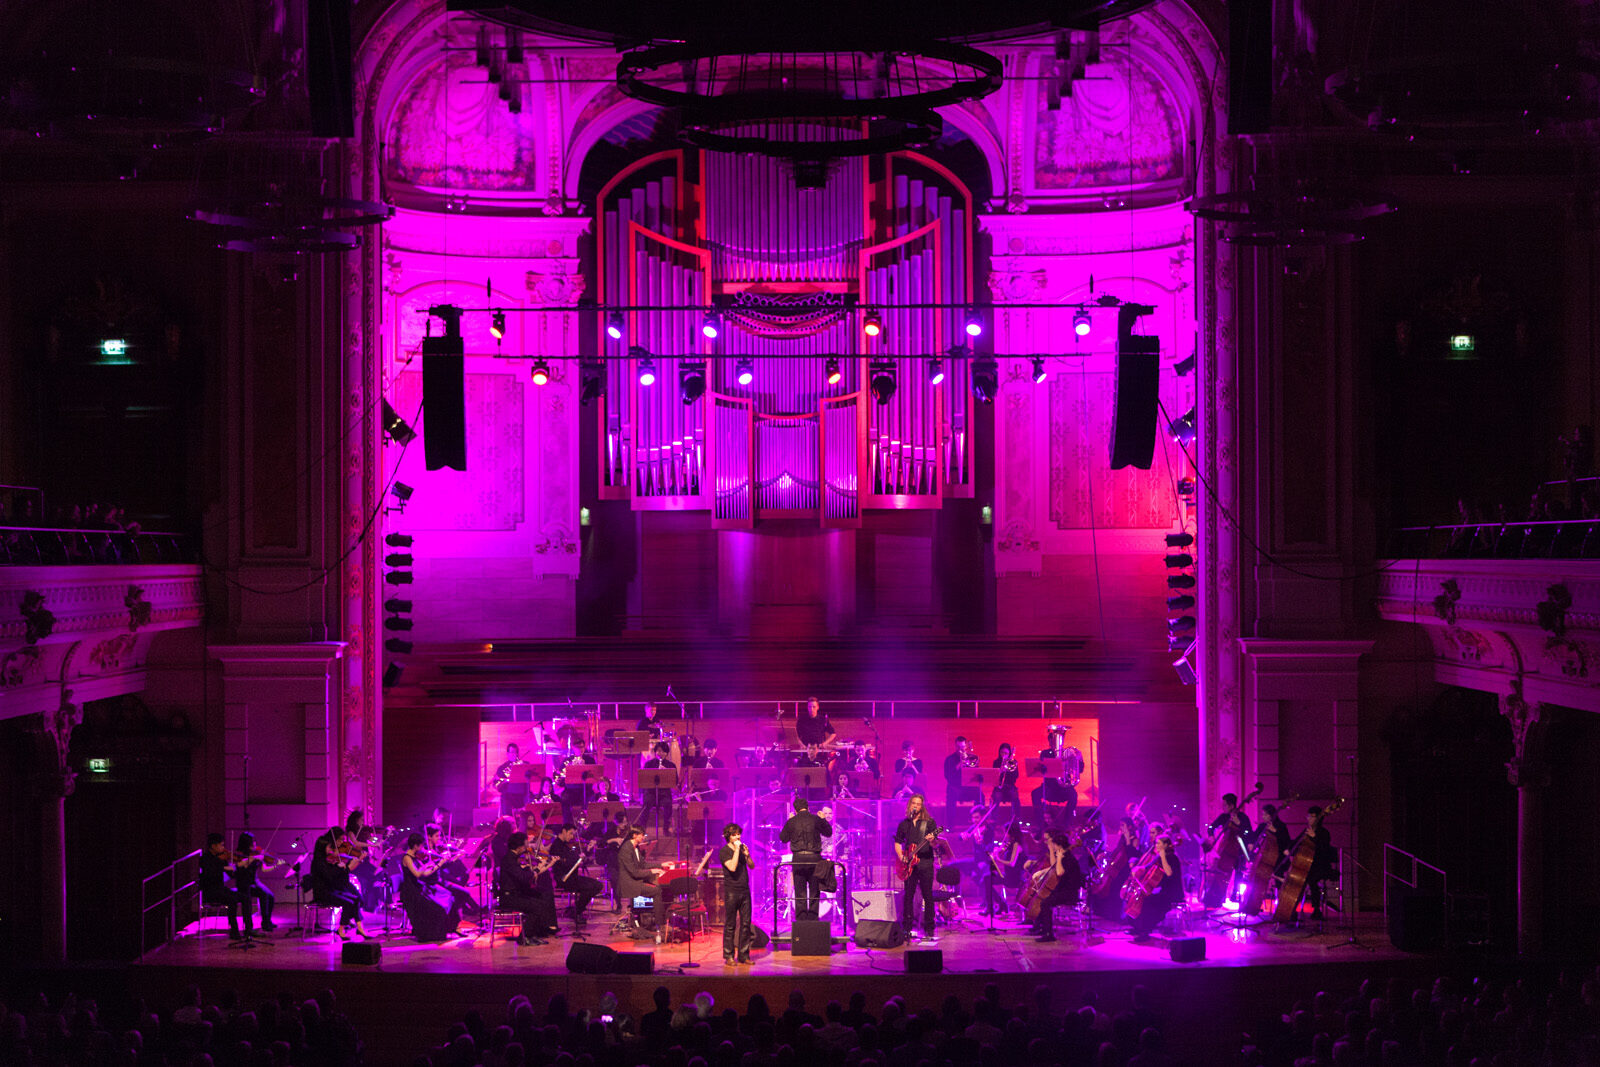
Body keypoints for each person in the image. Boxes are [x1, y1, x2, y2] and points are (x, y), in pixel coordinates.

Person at [399, 832, 463, 941]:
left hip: (418, 889)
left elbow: (424, 872)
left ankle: (444, 931)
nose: (423, 848)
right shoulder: (407, 858)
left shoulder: (415, 857)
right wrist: (431, 865)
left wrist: (436, 864)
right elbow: (418, 874)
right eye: (421, 846)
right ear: (416, 846)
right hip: (411, 892)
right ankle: (429, 935)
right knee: (435, 910)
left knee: (441, 906)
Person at [894, 794, 940, 941]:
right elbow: (897, 842)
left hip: (925, 863)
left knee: (927, 895)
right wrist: (901, 856)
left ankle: (929, 928)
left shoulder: (929, 823)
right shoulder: (904, 824)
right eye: (913, 803)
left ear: (922, 806)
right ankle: (907, 927)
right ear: (909, 805)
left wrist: (932, 840)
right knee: (908, 895)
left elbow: (935, 844)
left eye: (918, 804)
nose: (915, 805)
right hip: (909, 864)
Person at [778, 796, 832, 921]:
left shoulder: (792, 821)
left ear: (795, 810)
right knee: (814, 891)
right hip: (815, 858)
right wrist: (823, 820)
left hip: (799, 859)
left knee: (800, 892)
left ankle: (801, 921)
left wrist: (789, 821)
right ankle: (813, 920)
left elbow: (783, 838)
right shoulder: (816, 819)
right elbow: (828, 833)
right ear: (808, 808)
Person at [498, 831, 558, 945]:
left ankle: (534, 934)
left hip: (516, 894)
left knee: (543, 898)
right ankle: (524, 937)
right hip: (509, 897)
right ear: (519, 847)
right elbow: (523, 877)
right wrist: (536, 870)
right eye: (525, 846)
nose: (526, 848)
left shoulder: (513, 858)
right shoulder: (509, 860)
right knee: (537, 906)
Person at [309, 826, 366, 938]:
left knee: (355, 899)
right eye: (329, 847)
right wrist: (346, 868)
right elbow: (330, 877)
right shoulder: (318, 862)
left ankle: (358, 928)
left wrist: (341, 868)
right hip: (323, 893)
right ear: (322, 848)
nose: (331, 849)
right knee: (349, 902)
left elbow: (333, 874)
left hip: (332, 890)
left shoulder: (323, 861)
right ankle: (341, 929)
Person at [1032, 828, 1086, 943]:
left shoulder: (1068, 858)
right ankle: (1040, 928)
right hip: (1063, 891)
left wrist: (1060, 859)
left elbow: (1059, 872)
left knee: (1045, 903)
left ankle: (1048, 934)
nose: (1054, 847)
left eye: (1055, 845)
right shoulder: (1065, 856)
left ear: (1060, 846)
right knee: (1045, 900)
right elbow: (1055, 868)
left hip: (1069, 893)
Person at [1203, 792, 1254, 908]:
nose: (1223, 807)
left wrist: (1239, 824)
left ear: (1232, 805)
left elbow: (1249, 833)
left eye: (1225, 805)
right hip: (1227, 850)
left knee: (1239, 873)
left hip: (1240, 850)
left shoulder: (1243, 817)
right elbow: (1211, 827)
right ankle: (1217, 897)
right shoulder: (1224, 817)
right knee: (1221, 873)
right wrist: (1211, 835)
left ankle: (1235, 896)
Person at [1129, 836, 1183, 941]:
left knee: (1150, 903)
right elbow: (1148, 867)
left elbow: (1169, 873)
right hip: (1162, 891)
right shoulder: (1158, 857)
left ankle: (1145, 931)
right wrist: (1138, 868)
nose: (1156, 845)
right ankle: (1138, 928)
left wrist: (1163, 857)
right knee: (1145, 899)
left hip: (1173, 893)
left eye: (1159, 843)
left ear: (1166, 845)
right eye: (1156, 843)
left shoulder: (1173, 858)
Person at [197, 834, 251, 939]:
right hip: (210, 891)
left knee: (245, 898)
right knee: (232, 900)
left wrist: (240, 867)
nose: (223, 848)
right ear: (213, 846)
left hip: (221, 889)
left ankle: (248, 929)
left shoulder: (222, 858)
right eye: (221, 845)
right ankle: (234, 931)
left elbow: (232, 875)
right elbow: (211, 872)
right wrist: (224, 867)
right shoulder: (204, 859)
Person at [618, 827, 668, 939]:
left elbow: (643, 865)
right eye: (641, 834)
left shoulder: (635, 848)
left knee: (660, 887)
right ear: (634, 835)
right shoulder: (626, 849)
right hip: (629, 883)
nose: (643, 837)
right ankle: (660, 925)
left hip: (635, 879)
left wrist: (661, 865)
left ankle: (659, 922)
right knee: (656, 891)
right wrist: (652, 871)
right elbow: (634, 872)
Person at [549, 823, 603, 926]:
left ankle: (576, 909)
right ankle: (577, 911)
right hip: (564, 879)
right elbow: (565, 863)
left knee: (597, 885)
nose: (572, 837)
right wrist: (577, 857)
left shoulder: (565, 845)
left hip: (572, 877)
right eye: (570, 834)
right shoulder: (556, 846)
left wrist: (587, 851)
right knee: (592, 887)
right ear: (564, 831)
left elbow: (574, 860)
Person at [1089, 818, 1141, 921]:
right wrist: (1106, 855)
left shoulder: (1135, 839)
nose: (1121, 827)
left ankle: (1115, 917)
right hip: (1117, 868)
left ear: (1129, 827)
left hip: (1125, 869)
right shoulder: (1122, 838)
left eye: (1123, 825)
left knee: (1116, 891)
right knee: (1109, 888)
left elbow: (1131, 854)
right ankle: (1104, 913)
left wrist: (1127, 838)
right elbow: (1117, 852)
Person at [716, 823, 754, 963]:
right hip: (732, 891)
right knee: (730, 924)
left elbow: (752, 866)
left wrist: (747, 855)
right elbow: (732, 867)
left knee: (746, 924)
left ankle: (744, 955)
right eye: (734, 835)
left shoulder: (742, 849)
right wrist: (737, 850)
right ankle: (729, 956)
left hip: (745, 890)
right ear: (728, 836)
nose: (738, 837)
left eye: (738, 834)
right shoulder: (724, 851)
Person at [422, 824, 478, 916]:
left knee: (463, 890)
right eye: (437, 836)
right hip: (436, 882)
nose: (439, 838)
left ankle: (459, 910)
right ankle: (456, 911)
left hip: (442, 878)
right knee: (461, 890)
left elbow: (444, 865)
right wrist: (444, 860)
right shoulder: (425, 851)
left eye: (440, 835)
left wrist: (454, 857)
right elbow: (432, 868)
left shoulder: (435, 848)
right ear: (429, 836)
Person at [1031, 726, 1080, 823]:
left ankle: (1067, 823)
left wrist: (1078, 759)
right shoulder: (1045, 753)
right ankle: (1040, 822)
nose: (1054, 743)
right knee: (1035, 793)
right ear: (1049, 742)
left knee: (1073, 795)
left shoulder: (1068, 753)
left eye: (1057, 740)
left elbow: (1080, 770)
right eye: (1052, 741)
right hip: (1049, 787)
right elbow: (1041, 768)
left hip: (1064, 788)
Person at [231, 832, 278, 933]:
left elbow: (264, 868)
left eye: (254, 841)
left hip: (255, 881)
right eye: (252, 842)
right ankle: (264, 924)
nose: (255, 844)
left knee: (271, 896)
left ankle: (267, 921)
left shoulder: (256, 854)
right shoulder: (240, 856)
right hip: (245, 883)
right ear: (246, 844)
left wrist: (274, 864)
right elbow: (238, 870)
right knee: (264, 895)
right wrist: (253, 859)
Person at [1297, 805, 1338, 920]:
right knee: (1299, 878)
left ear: (1318, 818)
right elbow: (1296, 843)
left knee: (1311, 879)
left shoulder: (1324, 833)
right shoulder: (1306, 831)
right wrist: (1288, 849)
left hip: (1321, 866)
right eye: (1308, 816)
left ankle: (1316, 909)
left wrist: (1314, 837)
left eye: (1312, 816)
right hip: (1308, 865)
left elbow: (1323, 849)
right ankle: (1292, 909)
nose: (1309, 819)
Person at [637, 741, 677, 836]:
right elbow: (643, 780)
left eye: (663, 751)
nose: (660, 753)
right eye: (658, 751)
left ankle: (666, 828)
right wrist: (641, 794)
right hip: (651, 792)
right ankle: (642, 829)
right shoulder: (649, 764)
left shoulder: (671, 765)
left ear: (666, 753)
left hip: (664, 793)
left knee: (668, 804)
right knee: (647, 803)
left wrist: (666, 772)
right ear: (655, 752)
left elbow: (675, 781)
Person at [944, 736, 981, 828]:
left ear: (966, 746)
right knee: (951, 794)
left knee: (980, 795)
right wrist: (959, 764)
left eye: (963, 747)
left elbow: (976, 772)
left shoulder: (972, 758)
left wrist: (969, 762)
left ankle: (979, 823)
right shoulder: (949, 759)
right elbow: (947, 776)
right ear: (955, 746)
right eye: (958, 747)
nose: (960, 749)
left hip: (968, 788)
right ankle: (950, 825)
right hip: (955, 788)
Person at [494, 742, 531, 816]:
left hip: (522, 795)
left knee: (531, 797)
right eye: (511, 752)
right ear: (507, 754)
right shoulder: (502, 768)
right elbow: (497, 785)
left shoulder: (524, 765)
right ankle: (508, 819)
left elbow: (529, 779)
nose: (514, 754)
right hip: (509, 795)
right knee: (504, 798)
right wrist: (504, 781)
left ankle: (527, 819)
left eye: (515, 752)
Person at [991, 742, 1021, 826]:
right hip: (999, 786)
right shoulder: (996, 762)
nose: (1004, 755)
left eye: (1006, 753)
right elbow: (994, 777)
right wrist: (1001, 770)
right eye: (1002, 752)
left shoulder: (1013, 762)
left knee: (1014, 796)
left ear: (1009, 753)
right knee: (996, 796)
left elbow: (1016, 776)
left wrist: (1008, 770)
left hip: (1010, 786)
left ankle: (1016, 819)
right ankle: (994, 820)